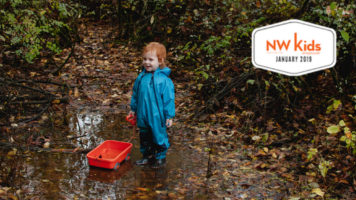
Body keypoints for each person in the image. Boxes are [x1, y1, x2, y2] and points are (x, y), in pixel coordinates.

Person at [128, 42, 175, 168]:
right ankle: (147, 155)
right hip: (143, 113)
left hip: (157, 116)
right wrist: (133, 109)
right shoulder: (141, 77)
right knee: (144, 135)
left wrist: (169, 116)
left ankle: (160, 157)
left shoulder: (164, 80)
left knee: (158, 135)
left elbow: (169, 100)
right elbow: (136, 94)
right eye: (144, 59)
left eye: (151, 59)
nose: (147, 62)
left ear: (160, 61)